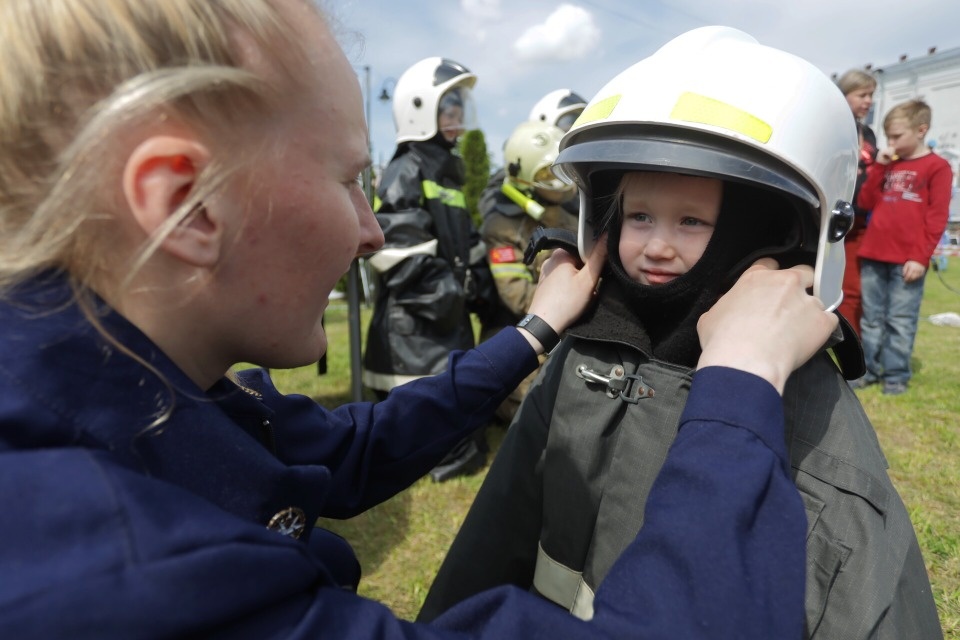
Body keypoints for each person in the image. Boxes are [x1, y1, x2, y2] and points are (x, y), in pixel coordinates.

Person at [0, 4, 838, 637]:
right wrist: (740, 384)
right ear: (188, 206)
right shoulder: (113, 576)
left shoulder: (135, 389)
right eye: (347, 180)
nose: (369, 230)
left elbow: (352, 448)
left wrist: (534, 330)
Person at [418, 27, 944, 640]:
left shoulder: (805, 412)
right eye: (639, 215)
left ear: (756, 232)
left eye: (692, 221)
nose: (657, 245)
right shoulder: (585, 353)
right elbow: (493, 540)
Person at [361, 56, 494, 481]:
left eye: (459, 109)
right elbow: (402, 257)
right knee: (433, 430)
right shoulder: (408, 169)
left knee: (462, 424)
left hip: (445, 324)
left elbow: (466, 242)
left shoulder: (445, 172)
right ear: (420, 112)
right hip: (415, 334)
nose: (457, 118)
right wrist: (455, 295)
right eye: (448, 109)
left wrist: (483, 287)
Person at [478, 120, 580, 422]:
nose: (558, 182)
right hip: (524, 339)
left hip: (568, 333)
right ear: (523, 174)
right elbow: (516, 295)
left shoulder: (569, 218)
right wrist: (576, 303)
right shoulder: (502, 228)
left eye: (559, 171)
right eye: (547, 173)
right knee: (539, 415)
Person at [853, 99, 953, 395]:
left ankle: (895, 375)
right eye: (888, 136)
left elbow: (937, 218)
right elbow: (866, 202)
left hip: (907, 260)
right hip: (874, 253)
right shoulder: (889, 164)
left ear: (921, 130)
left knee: (900, 319)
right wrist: (878, 169)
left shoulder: (938, 167)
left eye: (897, 136)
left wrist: (921, 257)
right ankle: (868, 370)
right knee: (871, 317)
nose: (891, 142)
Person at [836, 69, 879, 337]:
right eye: (862, 94)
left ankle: (854, 344)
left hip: (861, 219)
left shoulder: (869, 132)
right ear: (845, 94)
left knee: (855, 288)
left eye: (871, 95)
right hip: (833, 216)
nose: (868, 101)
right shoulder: (835, 126)